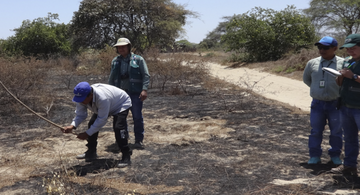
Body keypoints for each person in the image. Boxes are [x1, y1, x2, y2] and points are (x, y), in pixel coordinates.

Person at [61, 82, 133, 168]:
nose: (81, 101)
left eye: (83, 99)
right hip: (107, 104)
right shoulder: (81, 98)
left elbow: (102, 120)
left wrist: (87, 133)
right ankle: (91, 152)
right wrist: (72, 126)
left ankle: (126, 155)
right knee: (92, 123)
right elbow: (81, 115)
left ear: (90, 95)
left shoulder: (102, 98)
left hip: (120, 103)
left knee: (119, 127)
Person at [303, 36, 344, 165]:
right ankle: (314, 156)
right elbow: (307, 79)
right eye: (319, 47)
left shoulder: (343, 63)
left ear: (335, 48)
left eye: (325, 47)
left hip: (336, 104)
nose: (321, 50)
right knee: (315, 131)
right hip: (317, 103)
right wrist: (317, 90)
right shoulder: (312, 63)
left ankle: (335, 156)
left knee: (337, 132)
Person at [108, 37, 150, 149]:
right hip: (119, 95)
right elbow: (111, 78)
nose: (121, 49)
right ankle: (123, 139)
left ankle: (138, 140)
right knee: (120, 118)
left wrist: (144, 90)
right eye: (119, 47)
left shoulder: (139, 59)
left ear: (128, 47)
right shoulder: (115, 61)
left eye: (123, 47)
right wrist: (110, 93)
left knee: (137, 117)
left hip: (135, 93)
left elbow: (146, 75)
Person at [331, 34, 360, 175]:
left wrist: (353, 76)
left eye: (353, 48)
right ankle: (349, 165)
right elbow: (340, 84)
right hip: (345, 106)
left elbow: (353, 78)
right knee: (349, 138)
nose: (350, 52)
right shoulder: (347, 61)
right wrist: (340, 77)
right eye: (348, 49)